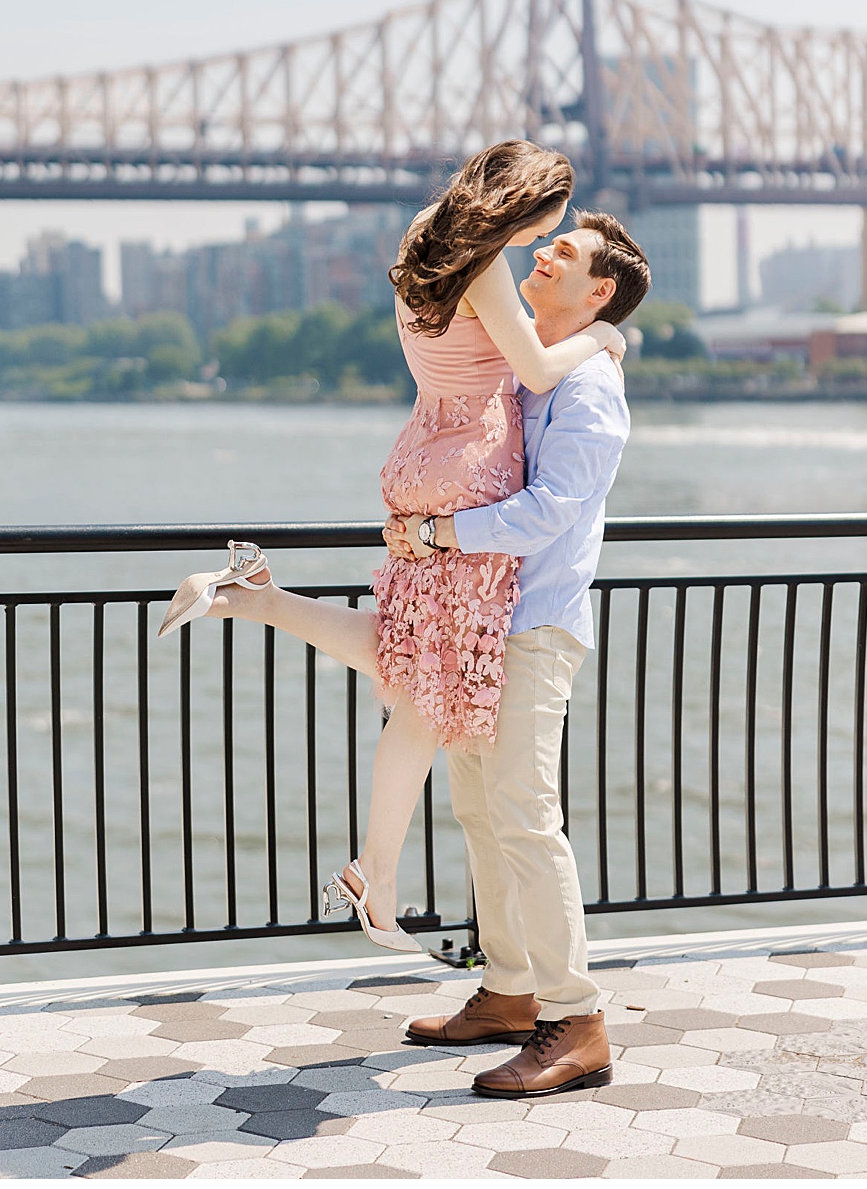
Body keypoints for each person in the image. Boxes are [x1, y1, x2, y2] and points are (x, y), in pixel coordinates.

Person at [158, 141, 625, 952]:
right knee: (427, 692)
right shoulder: (484, 267)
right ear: (528, 203)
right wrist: (607, 338)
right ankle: (376, 873)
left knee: (408, 656)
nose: (547, 239)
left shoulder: (421, 235)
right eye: (550, 221)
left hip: (417, 453)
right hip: (472, 469)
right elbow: (540, 371)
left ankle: (247, 597)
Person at [395, 212, 648, 1098]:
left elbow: (549, 510)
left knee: (528, 819)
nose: (541, 253)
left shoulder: (588, 393)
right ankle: (507, 991)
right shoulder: (524, 368)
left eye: (565, 253)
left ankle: (576, 1021)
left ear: (599, 293)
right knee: (479, 810)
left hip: (534, 626)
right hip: (477, 621)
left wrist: (436, 532)